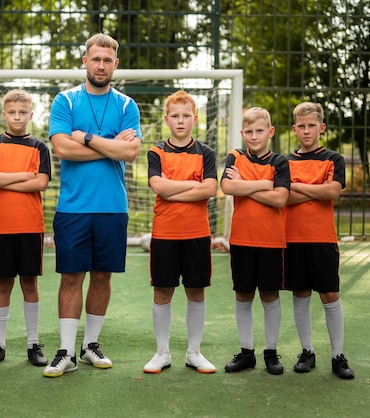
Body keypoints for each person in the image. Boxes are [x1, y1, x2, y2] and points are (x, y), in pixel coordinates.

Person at [43, 33, 142, 377]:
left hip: (113, 207)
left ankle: (90, 346)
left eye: (107, 60)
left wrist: (85, 137)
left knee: (102, 276)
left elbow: (130, 152)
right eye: (95, 59)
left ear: (116, 64)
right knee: (71, 276)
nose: (101, 65)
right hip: (73, 207)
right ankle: (66, 351)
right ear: (84, 61)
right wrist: (110, 145)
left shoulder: (127, 105)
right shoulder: (65, 101)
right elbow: (62, 150)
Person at [142, 90, 217, 374]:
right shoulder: (156, 151)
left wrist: (174, 187)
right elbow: (158, 187)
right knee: (163, 290)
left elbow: (210, 189)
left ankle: (194, 352)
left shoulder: (206, 152)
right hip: (165, 234)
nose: (181, 121)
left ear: (195, 119)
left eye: (186, 116)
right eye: (175, 116)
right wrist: (192, 186)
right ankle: (162, 352)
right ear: (166, 119)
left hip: (197, 233)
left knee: (196, 290)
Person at [0, 89, 51, 367]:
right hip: (2, 226)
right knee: (4, 283)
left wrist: (2, 177)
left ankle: (33, 344)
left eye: (23, 112)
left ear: (31, 115)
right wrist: (24, 175)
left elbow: (41, 183)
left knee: (29, 283)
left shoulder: (39, 146)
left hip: (31, 225)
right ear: (4, 114)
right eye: (12, 112)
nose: (17, 117)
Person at [285, 102, 354, 379]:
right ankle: (307, 352)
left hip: (322, 238)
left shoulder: (334, 159)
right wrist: (317, 189)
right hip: (292, 238)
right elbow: (283, 196)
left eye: (311, 125)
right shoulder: (284, 161)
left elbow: (332, 193)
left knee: (329, 294)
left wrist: (300, 187)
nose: (306, 130)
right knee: (300, 294)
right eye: (301, 126)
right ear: (294, 129)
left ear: (321, 127)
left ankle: (338, 356)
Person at [220, 107, 290, 375]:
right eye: (248, 131)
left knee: (270, 295)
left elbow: (280, 199)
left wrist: (246, 184)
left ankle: (271, 352)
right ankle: (247, 352)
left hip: (272, 241)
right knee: (243, 294)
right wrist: (264, 183)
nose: (254, 136)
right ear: (242, 133)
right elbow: (228, 188)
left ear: (270, 132)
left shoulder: (280, 163)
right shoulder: (235, 157)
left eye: (259, 131)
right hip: (242, 240)